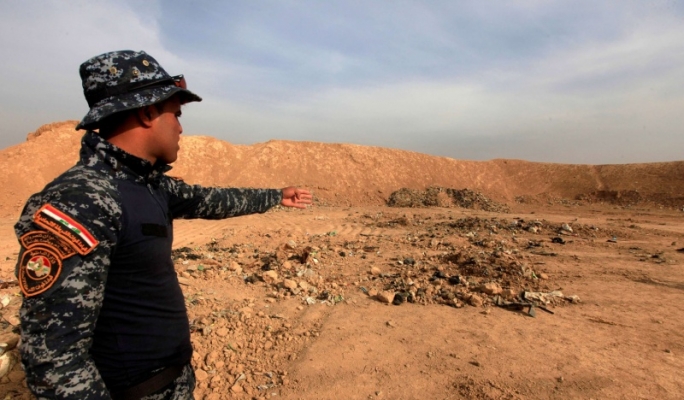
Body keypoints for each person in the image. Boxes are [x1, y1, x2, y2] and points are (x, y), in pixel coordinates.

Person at [14, 50, 313, 400]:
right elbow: (54, 357)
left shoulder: (146, 184)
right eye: (176, 114)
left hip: (171, 385)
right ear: (147, 113)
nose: (181, 127)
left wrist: (276, 196)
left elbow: (209, 199)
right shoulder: (81, 199)